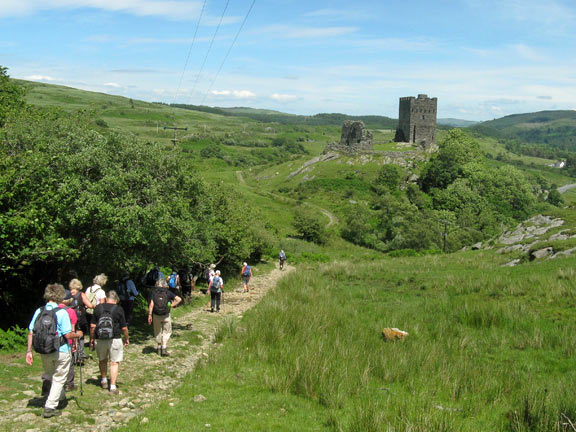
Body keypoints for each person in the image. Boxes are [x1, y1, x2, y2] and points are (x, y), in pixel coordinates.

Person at [26, 283, 83, 418]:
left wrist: (29, 351)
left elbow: (30, 332)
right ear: (60, 296)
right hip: (61, 349)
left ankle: (60, 397)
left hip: (44, 350)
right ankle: (50, 407)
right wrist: (79, 334)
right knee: (59, 378)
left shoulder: (39, 311)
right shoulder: (61, 312)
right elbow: (68, 335)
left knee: (52, 376)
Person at [90, 290, 129, 394]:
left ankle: (103, 380)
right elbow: (124, 328)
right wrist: (126, 338)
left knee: (102, 360)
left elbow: (92, 326)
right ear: (116, 300)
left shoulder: (98, 308)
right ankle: (112, 386)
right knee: (114, 362)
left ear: (106, 298)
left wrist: (92, 339)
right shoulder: (119, 309)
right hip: (115, 338)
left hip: (100, 338)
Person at [148, 278, 181, 356]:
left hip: (156, 315)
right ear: (164, 285)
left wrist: (149, 315)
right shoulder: (168, 292)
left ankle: (159, 347)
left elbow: (151, 304)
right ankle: (164, 348)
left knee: (157, 331)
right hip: (166, 315)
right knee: (167, 331)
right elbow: (179, 299)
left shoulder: (154, 293)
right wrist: (172, 305)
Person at [69, 278, 93, 364]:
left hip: (70, 318)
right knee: (80, 336)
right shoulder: (81, 294)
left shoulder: (68, 295)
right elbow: (90, 305)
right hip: (80, 318)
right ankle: (80, 355)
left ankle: (73, 355)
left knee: (72, 335)